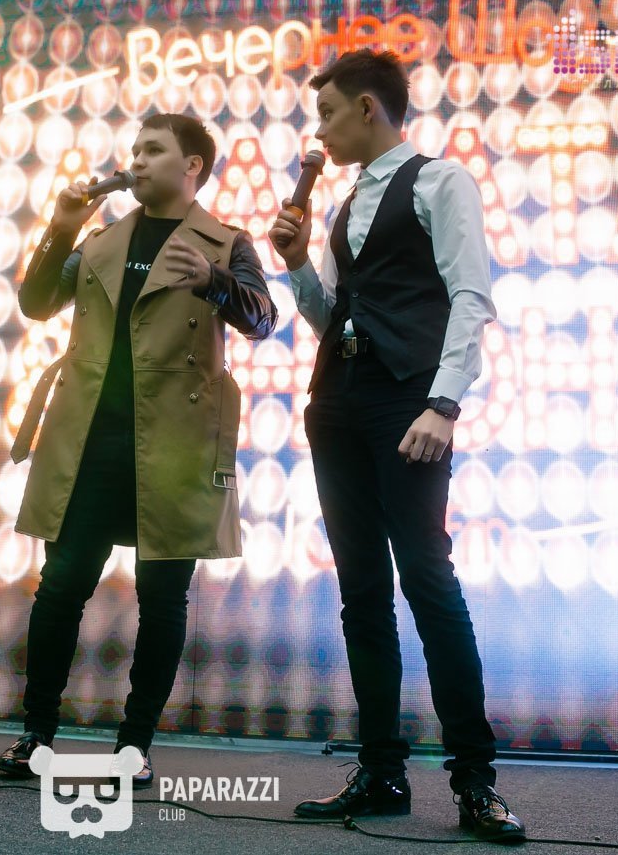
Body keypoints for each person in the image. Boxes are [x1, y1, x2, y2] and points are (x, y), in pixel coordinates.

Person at [267, 49, 525, 842]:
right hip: (338, 401)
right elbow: (332, 316)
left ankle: (474, 780)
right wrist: (295, 264)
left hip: (407, 402)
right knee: (361, 590)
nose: (320, 132)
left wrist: (442, 403)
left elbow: (469, 296)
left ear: (367, 108)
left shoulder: (439, 181)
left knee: (427, 579)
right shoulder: (345, 204)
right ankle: (380, 770)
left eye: (327, 114)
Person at [0, 113, 277, 788]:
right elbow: (37, 302)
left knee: (163, 598)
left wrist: (214, 280)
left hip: (177, 445)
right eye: (135, 150)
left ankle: (135, 744)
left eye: (153, 150)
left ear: (192, 166)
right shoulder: (100, 239)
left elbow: (263, 320)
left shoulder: (227, 242)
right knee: (60, 588)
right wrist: (61, 227)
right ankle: (36, 733)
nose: (137, 161)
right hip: (89, 438)